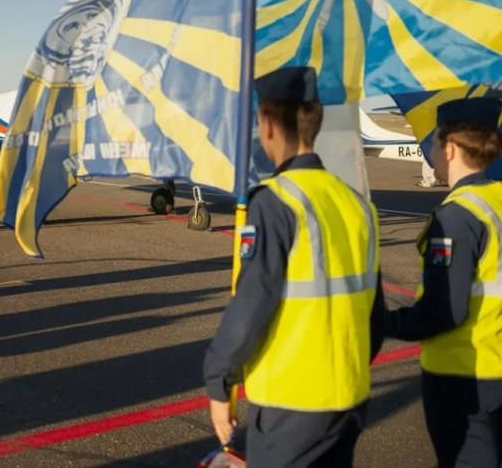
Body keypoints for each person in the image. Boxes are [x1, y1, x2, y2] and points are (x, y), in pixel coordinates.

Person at [203, 66, 384, 466]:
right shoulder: (358, 205)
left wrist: (219, 378)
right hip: (349, 397)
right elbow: (375, 317)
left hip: (293, 402)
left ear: (267, 125)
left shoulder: (275, 202)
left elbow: (252, 306)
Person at [384, 96, 502, 467]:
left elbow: (444, 311)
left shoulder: (457, 216)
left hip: (463, 373)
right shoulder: (496, 199)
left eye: (433, 142)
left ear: (450, 149)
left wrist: (385, 322)